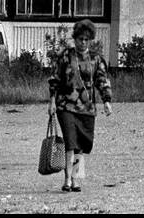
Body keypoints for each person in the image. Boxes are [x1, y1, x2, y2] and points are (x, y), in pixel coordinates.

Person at [48, 19, 112, 193]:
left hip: (87, 108)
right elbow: (55, 79)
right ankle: (68, 180)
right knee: (70, 142)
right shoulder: (65, 56)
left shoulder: (96, 59)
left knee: (80, 146)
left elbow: (101, 80)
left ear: (90, 40)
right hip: (65, 106)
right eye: (80, 39)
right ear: (74, 38)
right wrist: (52, 101)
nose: (83, 42)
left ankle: (76, 180)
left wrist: (106, 101)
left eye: (86, 39)